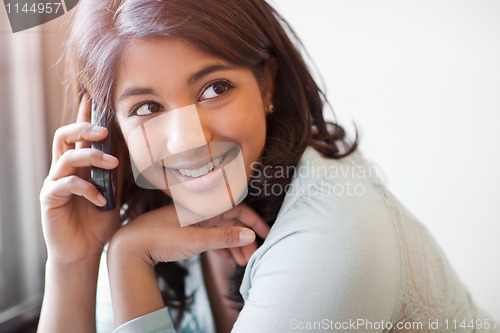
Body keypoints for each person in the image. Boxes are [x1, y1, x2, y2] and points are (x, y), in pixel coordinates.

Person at [37, 0, 498, 332]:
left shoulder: (334, 228)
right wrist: (73, 262)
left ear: (266, 84)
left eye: (214, 89)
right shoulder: (152, 220)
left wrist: (126, 258)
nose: (187, 142)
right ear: (108, 130)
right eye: (146, 108)